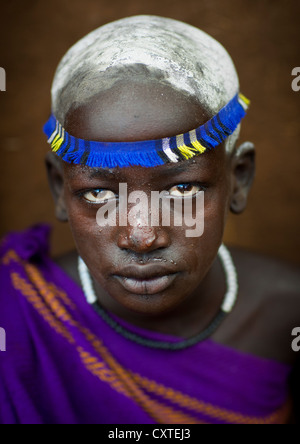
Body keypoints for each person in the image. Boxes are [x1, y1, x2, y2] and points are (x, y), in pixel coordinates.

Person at [0, 15, 299, 425]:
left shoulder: (288, 311)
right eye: (99, 193)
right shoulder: (17, 316)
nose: (141, 236)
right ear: (58, 187)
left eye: (181, 190)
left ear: (238, 178)